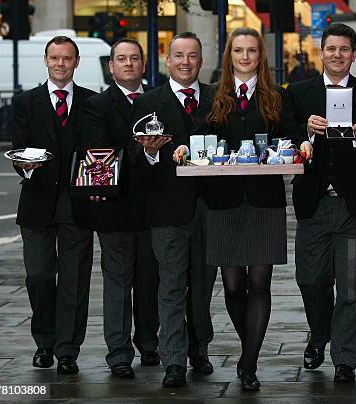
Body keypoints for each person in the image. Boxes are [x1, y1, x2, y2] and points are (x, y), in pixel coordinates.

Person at [173, 26, 287, 392]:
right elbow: (195, 139)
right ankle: (246, 348)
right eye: (238, 50)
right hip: (223, 203)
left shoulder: (275, 98)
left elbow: (291, 137)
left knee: (259, 283)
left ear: (260, 56)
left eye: (252, 51)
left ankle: (249, 363)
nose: (245, 57)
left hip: (264, 202)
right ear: (229, 56)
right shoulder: (213, 98)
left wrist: (304, 145)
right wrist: (182, 150)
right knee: (234, 287)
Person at [282, 23, 356, 382]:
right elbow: (281, 137)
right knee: (311, 279)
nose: (337, 55)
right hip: (314, 203)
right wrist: (304, 133)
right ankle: (319, 333)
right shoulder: (298, 93)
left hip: (355, 205)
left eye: (344, 49)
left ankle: (346, 360)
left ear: (354, 54)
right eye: (331, 49)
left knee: (352, 288)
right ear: (321, 52)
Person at [131, 32, 213, 388]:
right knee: (171, 286)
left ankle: (200, 350)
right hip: (166, 209)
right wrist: (150, 151)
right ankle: (174, 361)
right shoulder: (148, 101)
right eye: (178, 55)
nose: (185, 62)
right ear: (167, 60)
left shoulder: (216, 98)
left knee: (203, 287)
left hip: (211, 207)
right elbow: (132, 156)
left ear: (200, 60)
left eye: (192, 55)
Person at [11, 36, 96, 375]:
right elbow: (19, 147)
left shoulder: (92, 102)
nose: (61, 64)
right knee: (39, 276)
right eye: (55, 58)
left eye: (67, 59)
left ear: (76, 62)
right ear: (45, 61)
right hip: (37, 203)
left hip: (78, 204)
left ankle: (67, 351)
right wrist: (25, 166)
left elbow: (97, 151)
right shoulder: (25, 102)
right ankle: (44, 342)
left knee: (75, 281)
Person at [82, 38, 160, 378]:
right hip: (114, 208)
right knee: (117, 283)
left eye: (134, 58)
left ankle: (149, 345)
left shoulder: (158, 99)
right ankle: (117, 353)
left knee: (150, 281)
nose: (128, 64)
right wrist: (143, 149)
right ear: (111, 66)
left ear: (143, 65)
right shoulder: (97, 105)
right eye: (121, 59)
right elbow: (100, 152)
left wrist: (142, 152)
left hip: (155, 208)